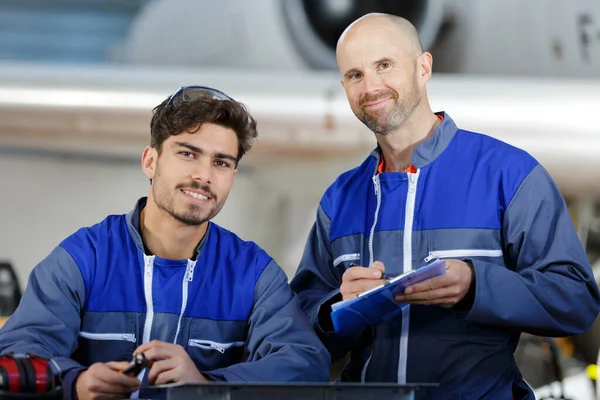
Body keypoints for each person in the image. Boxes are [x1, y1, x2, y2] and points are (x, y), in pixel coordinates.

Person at [290, 13, 600, 399]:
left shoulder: (509, 174)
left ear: (423, 67)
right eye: (355, 75)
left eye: (384, 65)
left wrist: (475, 286)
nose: (371, 86)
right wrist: (333, 308)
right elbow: (295, 338)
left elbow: (575, 300)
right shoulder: (339, 199)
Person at [0, 86, 331, 400]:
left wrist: (204, 386)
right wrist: (75, 383)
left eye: (221, 162)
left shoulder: (254, 274)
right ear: (150, 161)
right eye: (188, 154)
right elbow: (17, 352)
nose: (204, 175)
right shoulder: (83, 258)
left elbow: (305, 363)